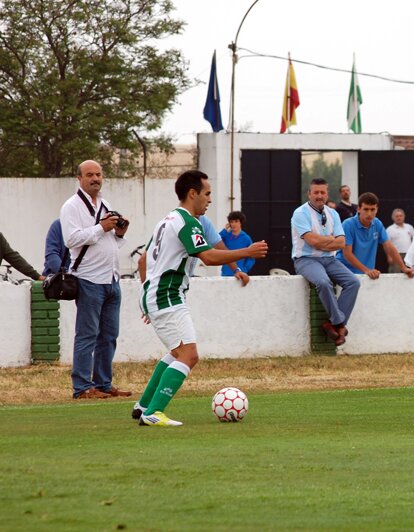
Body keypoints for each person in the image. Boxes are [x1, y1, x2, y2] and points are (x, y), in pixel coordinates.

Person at [134, 170, 268, 426]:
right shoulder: (187, 222)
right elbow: (207, 256)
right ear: (192, 193)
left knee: (177, 352)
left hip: (157, 295)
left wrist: (146, 297)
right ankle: (154, 413)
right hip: (168, 295)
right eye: (207, 194)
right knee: (189, 355)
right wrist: (247, 252)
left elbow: (143, 260)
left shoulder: (165, 220)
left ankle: (143, 406)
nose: (209, 200)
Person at [60, 160, 131, 400]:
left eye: (99, 174)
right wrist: (101, 227)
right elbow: (71, 240)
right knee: (87, 335)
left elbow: (109, 242)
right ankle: (82, 387)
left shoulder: (104, 204)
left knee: (109, 335)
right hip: (89, 279)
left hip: (111, 278)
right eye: (90, 175)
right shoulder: (71, 207)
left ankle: (103, 383)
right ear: (79, 179)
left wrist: (118, 233)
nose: (95, 179)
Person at [292, 178, 361, 346]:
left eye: (322, 192)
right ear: (309, 193)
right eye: (315, 192)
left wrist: (324, 241)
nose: (319, 196)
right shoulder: (300, 213)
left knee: (353, 282)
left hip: (330, 259)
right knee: (323, 282)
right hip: (306, 259)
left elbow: (341, 243)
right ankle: (339, 324)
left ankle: (332, 324)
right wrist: (330, 239)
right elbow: (311, 242)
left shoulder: (333, 213)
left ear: (327, 194)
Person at [337, 193, 414, 279]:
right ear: (358, 209)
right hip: (346, 273)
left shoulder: (377, 223)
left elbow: (388, 246)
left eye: (372, 209)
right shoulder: (348, 224)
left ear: (377, 209)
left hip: (366, 274)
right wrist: (367, 270)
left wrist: (404, 268)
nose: (369, 213)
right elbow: (347, 254)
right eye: (366, 209)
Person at [219, 211, 255, 277]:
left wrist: (244, 270)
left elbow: (251, 257)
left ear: (240, 222)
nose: (233, 224)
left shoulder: (246, 238)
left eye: (236, 221)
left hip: (240, 275)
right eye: (231, 222)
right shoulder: (225, 235)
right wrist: (224, 230)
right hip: (225, 273)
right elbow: (215, 241)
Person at [385, 208, 414, 274]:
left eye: (401, 216)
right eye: (397, 216)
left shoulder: (409, 227)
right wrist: (389, 256)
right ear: (393, 218)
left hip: (408, 255)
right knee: (396, 274)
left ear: (404, 216)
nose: (399, 218)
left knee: (410, 273)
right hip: (396, 255)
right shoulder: (389, 229)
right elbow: (386, 244)